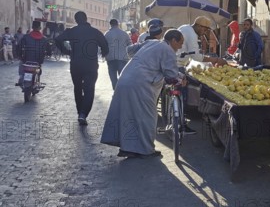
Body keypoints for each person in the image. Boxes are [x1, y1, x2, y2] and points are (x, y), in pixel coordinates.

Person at [100, 28, 185, 159]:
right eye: (180, 43)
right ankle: (146, 150)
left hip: (126, 79)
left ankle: (127, 148)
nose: (180, 47)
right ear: (173, 40)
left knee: (128, 115)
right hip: (141, 84)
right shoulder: (168, 50)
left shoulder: (151, 43)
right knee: (147, 118)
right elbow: (171, 76)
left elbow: (130, 50)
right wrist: (181, 80)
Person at [55, 11, 109, 125]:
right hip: (90, 65)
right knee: (89, 89)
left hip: (75, 65)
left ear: (76, 20)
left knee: (78, 88)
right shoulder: (95, 32)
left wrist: (66, 51)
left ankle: (80, 111)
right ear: (86, 18)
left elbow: (58, 40)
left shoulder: (72, 31)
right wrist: (104, 53)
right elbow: (105, 45)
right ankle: (83, 114)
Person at [104, 19, 132, 90]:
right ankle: (121, 91)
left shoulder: (107, 34)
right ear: (118, 24)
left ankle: (115, 90)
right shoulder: (124, 33)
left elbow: (103, 46)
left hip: (111, 58)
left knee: (113, 76)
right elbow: (130, 45)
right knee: (122, 76)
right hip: (122, 58)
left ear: (110, 24)